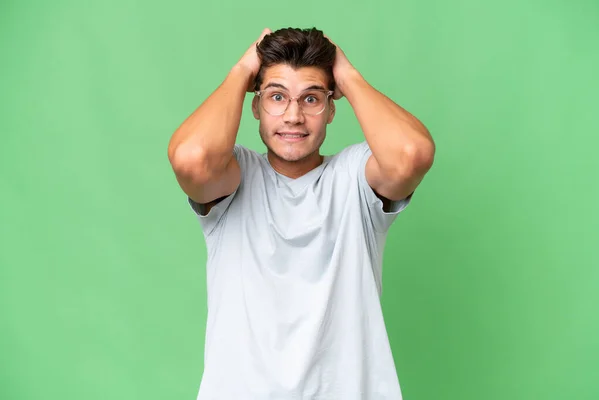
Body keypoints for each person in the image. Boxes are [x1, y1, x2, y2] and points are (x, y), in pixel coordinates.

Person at [167, 27, 435, 400]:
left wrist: (349, 76)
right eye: (277, 97)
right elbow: (193, 159)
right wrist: (241, 71)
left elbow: (411, 154)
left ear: (330, 109)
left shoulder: (354, 178)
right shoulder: (235, 176)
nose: (293, 115)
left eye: (311, 99)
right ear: (256, 106)